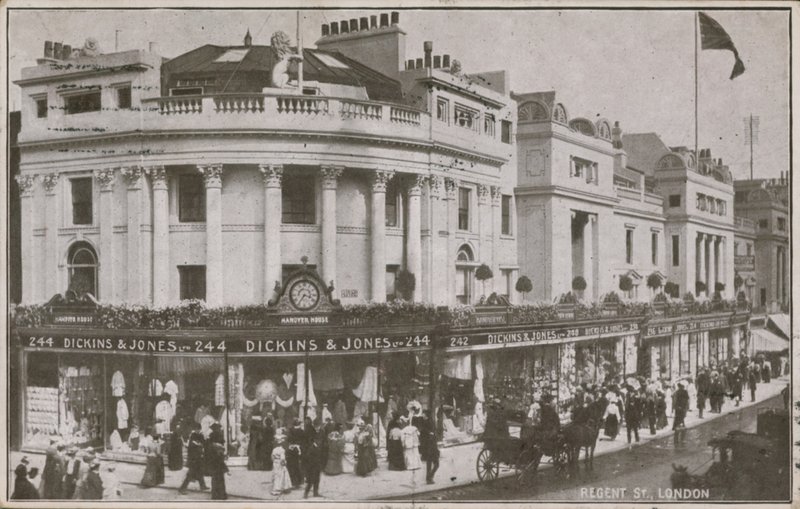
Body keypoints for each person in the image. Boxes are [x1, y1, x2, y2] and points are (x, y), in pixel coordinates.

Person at [419, 411, 440, 484]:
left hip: (431, 447)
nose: (422, 415)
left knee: (433, 464)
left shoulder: (429, 423)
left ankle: (429, 477)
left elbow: (432, 434)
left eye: (423, 414)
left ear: (426, 415)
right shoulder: (425, 423)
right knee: (434, 464)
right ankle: (429, 478)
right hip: (429, 447)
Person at [400, 416, 422, 485]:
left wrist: (403, 444)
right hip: (414, 443)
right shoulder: (414, 428)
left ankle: (410, 466)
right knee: (415, 454)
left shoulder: (403, 430)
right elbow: (419, 434)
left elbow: (402, 439)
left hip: (408, 444)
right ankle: (417, 465)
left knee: (409, 455)